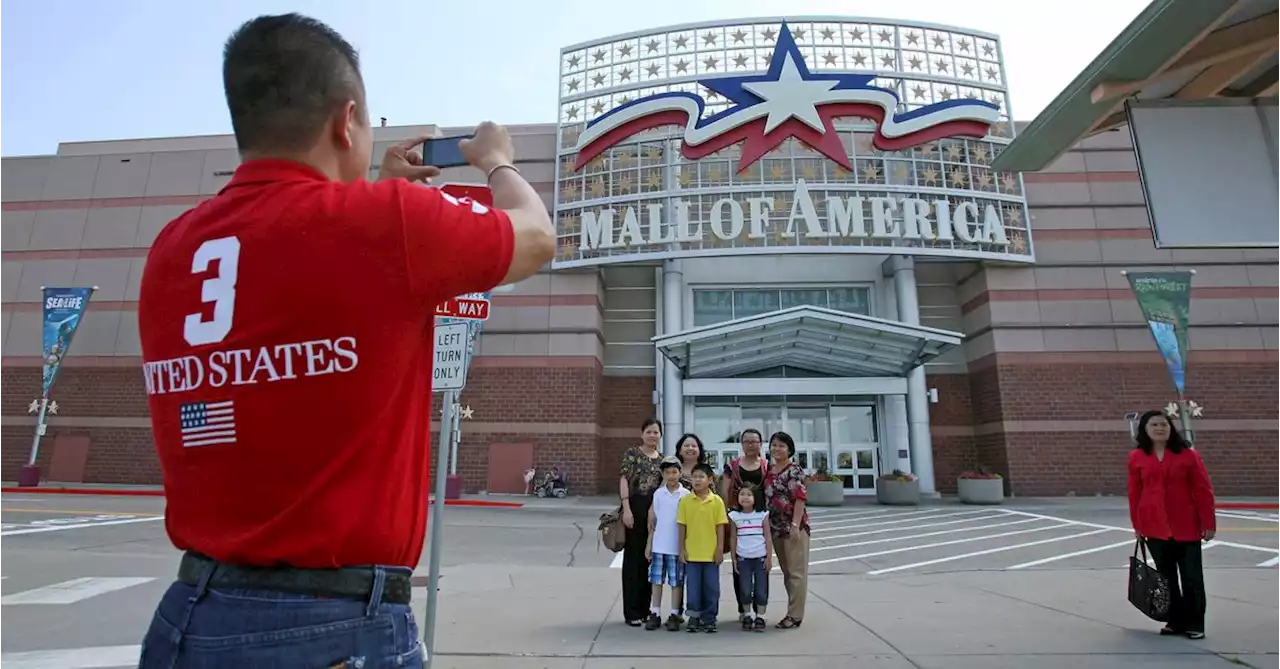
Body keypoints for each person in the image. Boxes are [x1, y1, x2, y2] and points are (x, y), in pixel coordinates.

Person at [133, 13, 556, 668]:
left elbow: (301, 273)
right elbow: (535, 237)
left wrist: (376, 191)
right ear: (346, 119)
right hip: (333, 628)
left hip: (192, 613)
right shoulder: (385, 225)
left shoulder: (173, 247)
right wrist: (497, 159)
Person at [1128, 410, 1216, 640]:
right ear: (1145, 430)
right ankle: (1175, 621)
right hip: (1154, 527)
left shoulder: (1187, 455)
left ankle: (1196, 623)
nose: (1160, 428)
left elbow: (1203, 490)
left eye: (1164, 424)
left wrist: (1209, 523)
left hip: (1186, 525)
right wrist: (1137, 525)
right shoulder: (1137, 457)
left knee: (1192, 577)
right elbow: (1135, 493)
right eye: (1154, 425)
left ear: (1171, 428)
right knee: (1166, 578)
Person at [619, 418, 664, 626]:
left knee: (649, 559)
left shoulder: (662, 459)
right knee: (633, 560)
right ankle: (632, 612)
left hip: (653, 511)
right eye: (649, 432)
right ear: (642, 434)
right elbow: (624, 480)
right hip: (634, 508)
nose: (652, 435)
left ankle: (646, 609)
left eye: (656, 432)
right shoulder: (632, 454)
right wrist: (626, 508)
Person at [764, 431, 811, 630]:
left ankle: (795, 615)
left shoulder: (794, 470)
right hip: (775, 528)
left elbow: (799, 497)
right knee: (787, 572)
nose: (777, 448)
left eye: (781, 445)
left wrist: (795, 525)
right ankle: (792, 611)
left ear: (789, 449)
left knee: (796, 573)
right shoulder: (770, 469)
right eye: (774, 445)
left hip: (793, 528)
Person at [721, 427, 768, 619]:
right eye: (747, 441)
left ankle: (760, 611)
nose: (751, 444)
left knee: (761, 566)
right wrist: (727, 512)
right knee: (739, 566)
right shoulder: (732, 465)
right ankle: (744, 610)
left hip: (760, 517)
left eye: (754, 441)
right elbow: (725, 491)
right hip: (737, 517)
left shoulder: (766, 465)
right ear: (741, 444)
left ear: (760, 444)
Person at [677, 463, 728, 634]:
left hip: (711, 554)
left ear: (710, 480)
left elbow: (720, 526)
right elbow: (681, 526)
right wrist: (681, 549)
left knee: (712, 588)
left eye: (701, 476)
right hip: (692, 554)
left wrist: (719, 549)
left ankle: (710, 618)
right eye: (694, 476)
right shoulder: (685, 501)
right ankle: (693, 616)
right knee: (693, 588)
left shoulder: (717, 501)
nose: (697, 480)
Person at [644, 455, 691, 631]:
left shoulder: (686, 495)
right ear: (662, 474)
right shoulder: (658, 494)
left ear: (680, 473)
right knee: (656, 580)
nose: (671, 476)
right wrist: (649, 544)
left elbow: (686, 523)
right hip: (659, 545)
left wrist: (684, 547)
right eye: (667, 473)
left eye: (674, 472)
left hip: (676, 547)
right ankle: (655, 612)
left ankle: (674, 613)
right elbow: (653, 522)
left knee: (676, 582)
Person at [728, 483, 772, 632]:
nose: (745, 497)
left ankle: (760, 615)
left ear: (755, 498)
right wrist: (734, 558)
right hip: (743, 558)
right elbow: (733, 537)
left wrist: (769, 557)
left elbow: (767, 536)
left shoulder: (762, 515)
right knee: (745, 589)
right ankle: (747, 614)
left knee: (761, 589)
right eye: (742, 494)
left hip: (760, 558)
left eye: (749, 494)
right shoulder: (734, 516)